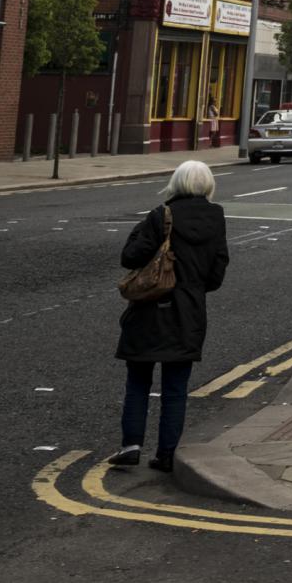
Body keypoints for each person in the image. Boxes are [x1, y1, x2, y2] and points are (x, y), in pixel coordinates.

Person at [110, 159, 231, 473]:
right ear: (207, 186)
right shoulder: (217, 218)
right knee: (175, 390)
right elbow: (216, 275)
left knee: (138, 382)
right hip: (189, 313)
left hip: (150, 309)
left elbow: (130, 257)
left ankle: (131, 445)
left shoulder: (160, 216)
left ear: (176, 183)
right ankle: (166, 455)